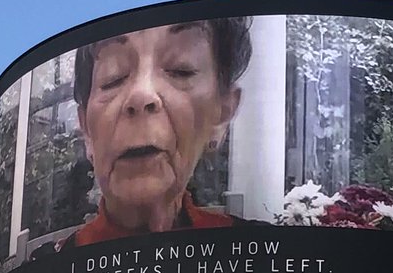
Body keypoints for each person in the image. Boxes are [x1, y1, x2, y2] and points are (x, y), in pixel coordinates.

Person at [60, 17, 252, 246]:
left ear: (221, 114)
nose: (141, 94)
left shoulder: (257, 257)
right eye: (114, 77)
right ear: (86, 130)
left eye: (181, 70)